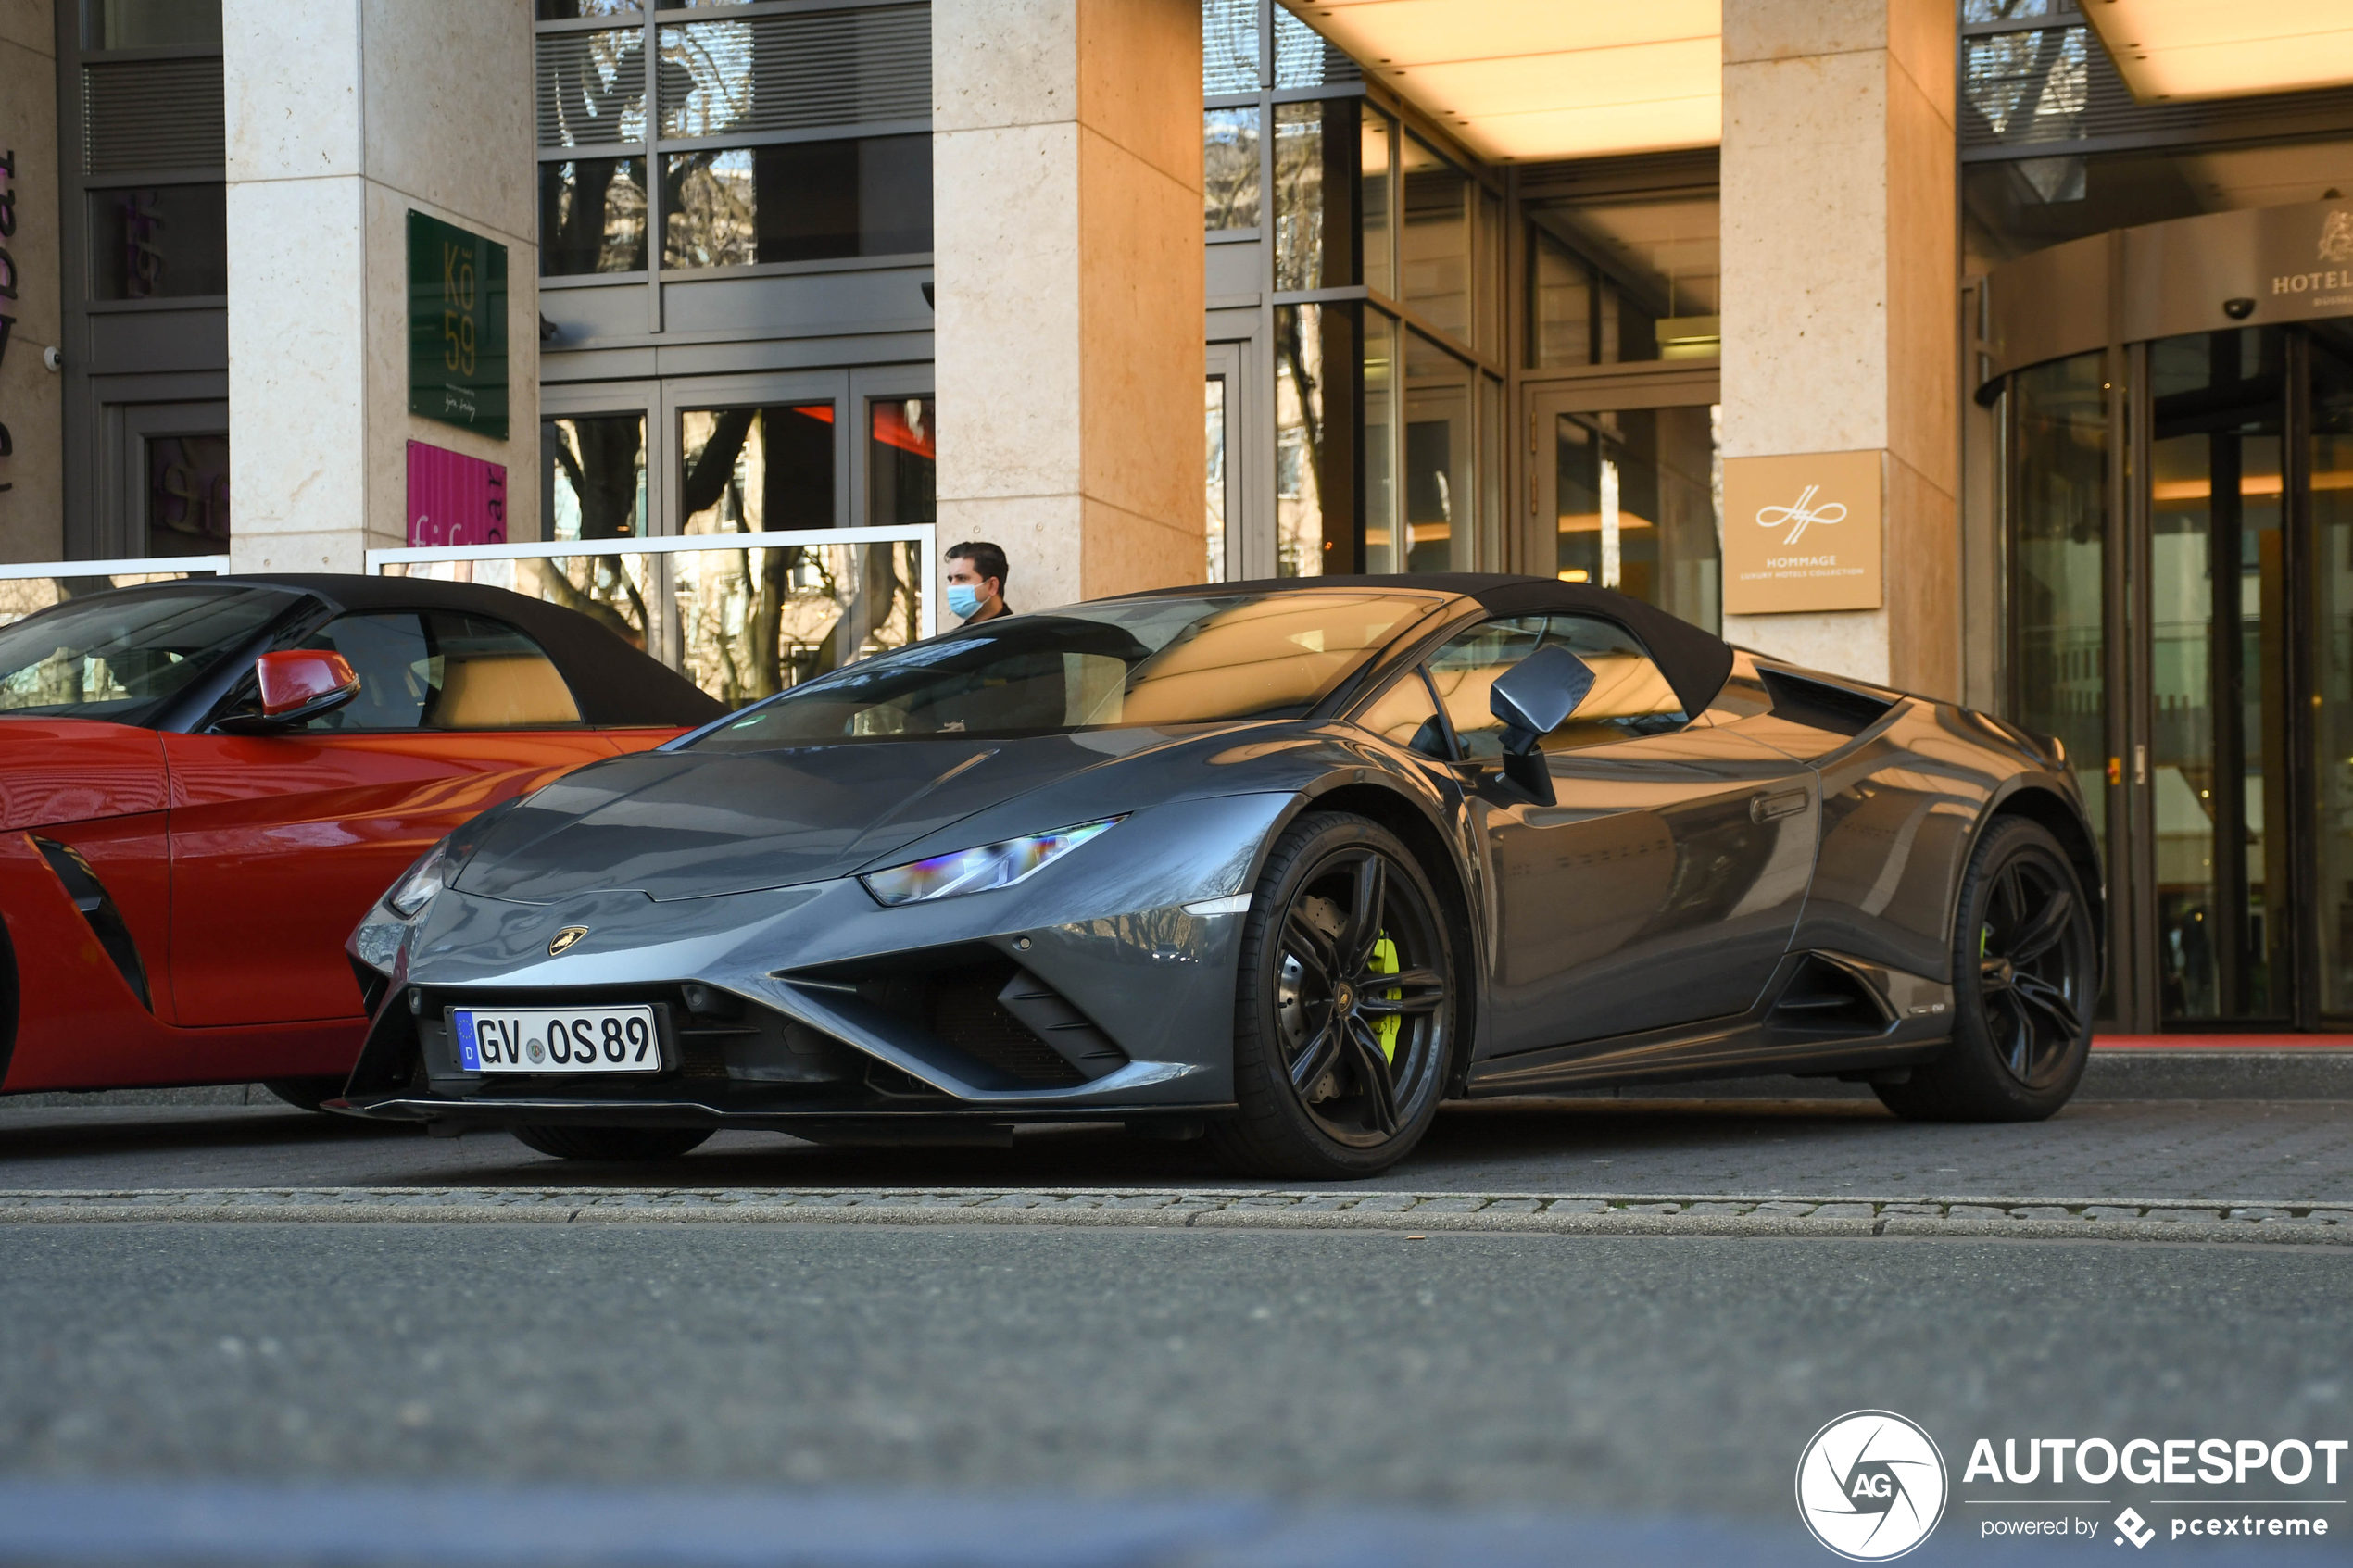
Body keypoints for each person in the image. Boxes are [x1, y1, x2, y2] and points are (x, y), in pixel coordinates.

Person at [944, 540, 1012, 625]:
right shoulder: (955, 638)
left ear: (991, 586)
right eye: (950, 579)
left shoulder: (1024, 636)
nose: (952, 586)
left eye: (961, 578)